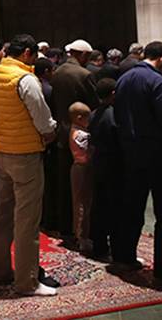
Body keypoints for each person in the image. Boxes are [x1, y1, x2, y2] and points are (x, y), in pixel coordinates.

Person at [0, 34, 58, 297]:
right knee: (26, 220)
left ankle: (2, 270)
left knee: (2, 214)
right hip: (25, 153)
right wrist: (51, 132)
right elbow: (42, 118)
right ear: (27, 53)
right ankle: (26, 282)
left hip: (1, 150)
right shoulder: (25, 80)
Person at [112, 41, 162, 291]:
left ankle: (124, 257)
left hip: (131, 152)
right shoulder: (158, 82)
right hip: (158, 153)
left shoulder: (124, 78)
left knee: (131, 206)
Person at [47, 39, 100, 239]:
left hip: (61, 132)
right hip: (80, 133)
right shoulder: (84, 75)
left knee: (63, 183)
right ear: (83, 55)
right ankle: (82, 229)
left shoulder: (57, 71)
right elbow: (93, 105)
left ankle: (64, 226)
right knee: (83, 187)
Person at [88, 78, 120, 260]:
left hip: (98, 162)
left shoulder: (93, 113)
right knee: (114, 208)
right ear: (113, 94)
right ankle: (116, 249)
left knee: (99, 206)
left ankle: (99, 246)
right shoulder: (114, 115)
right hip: (113, 164)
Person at [68, 102, 93, 254]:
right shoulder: (81, 135)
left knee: (81, 201)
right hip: (82, 169)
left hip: (79, 168)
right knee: (83, 203)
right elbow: (89, 151)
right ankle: (82, 236)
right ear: (79, 118)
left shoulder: (76, 130)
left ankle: (80, 234)